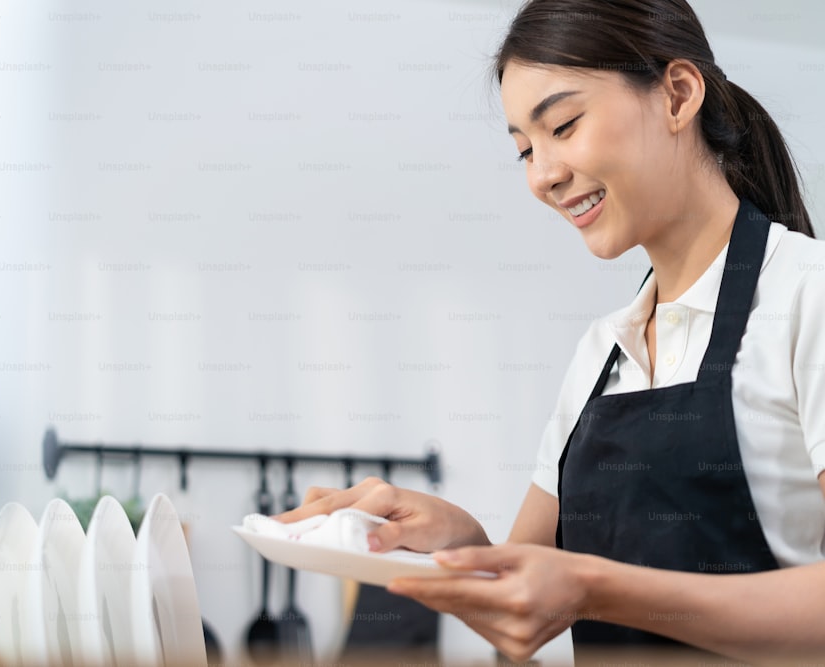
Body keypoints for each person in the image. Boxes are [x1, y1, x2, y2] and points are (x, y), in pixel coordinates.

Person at [277, 0, 825, 662]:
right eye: (525, 150)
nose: (543, 175)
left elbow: (580, 588)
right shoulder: (603, 352)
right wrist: (459, 543)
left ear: (678, 95)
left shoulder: (805, 296)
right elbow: (522, 596)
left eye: (563, 125)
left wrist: (597, 586)